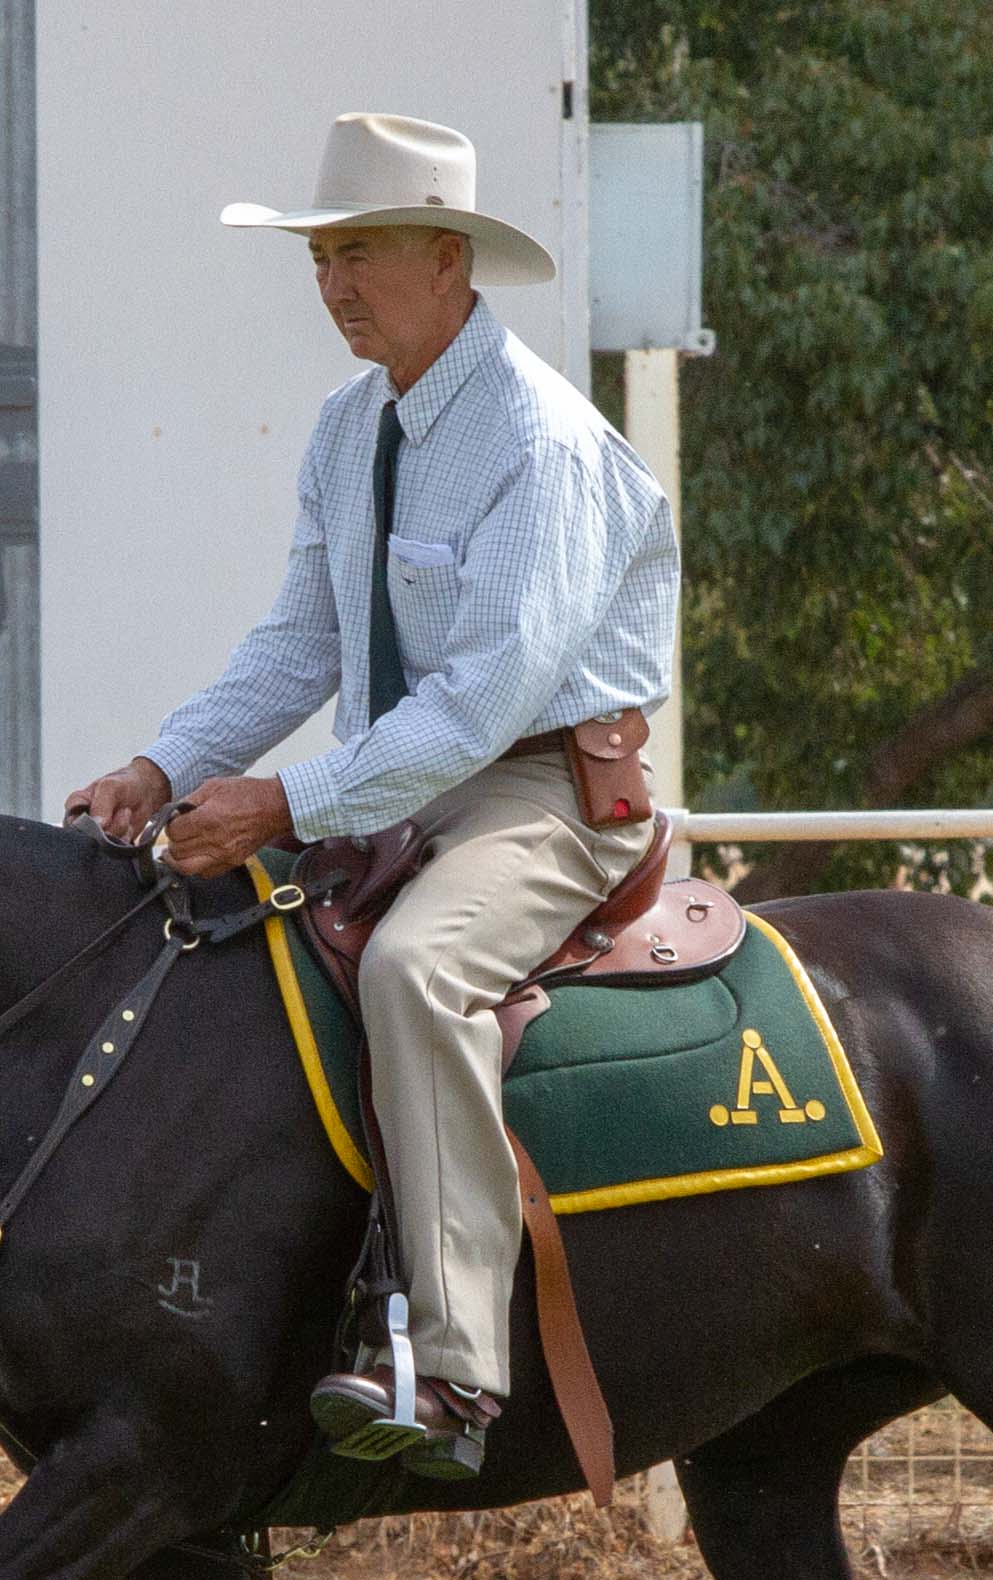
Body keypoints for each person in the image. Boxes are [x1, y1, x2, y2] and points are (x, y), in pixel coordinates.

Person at [66, 112, 678, 1479]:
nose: (334, 285)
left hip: (545, 798)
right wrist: (164, 767)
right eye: (320, 258)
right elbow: (298, 645)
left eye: (360, 254)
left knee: (415, 970)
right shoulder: (352, 432)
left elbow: (484, 703)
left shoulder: (542, 442)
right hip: (401, 790)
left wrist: (284, 805)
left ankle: (454, 1375)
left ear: (448, 259)